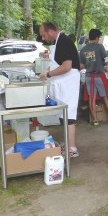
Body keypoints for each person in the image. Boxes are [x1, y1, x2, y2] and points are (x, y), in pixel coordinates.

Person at [38, 22, 81, 158]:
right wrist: (46, 71)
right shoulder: (58, 43)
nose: (43, 38)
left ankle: (72, 149)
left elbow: (67, 66)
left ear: (51, 31)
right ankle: (68, 145)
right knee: (64, 117)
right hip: (64, 85)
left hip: (68, 84)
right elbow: (58, 64)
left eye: (43, 35)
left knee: (69, 118)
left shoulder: (64, 41)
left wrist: (49, 74)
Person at [79, 28, 108, 126]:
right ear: (97, 37)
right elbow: (106, 59)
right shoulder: (99, 47)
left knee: (92, 98)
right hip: (99, 76)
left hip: (89, 77)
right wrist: (106, 65)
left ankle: (95, 120)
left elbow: (81, 66)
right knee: (106, 97)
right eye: (99, 37)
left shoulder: (83, 49)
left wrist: (89, 64)